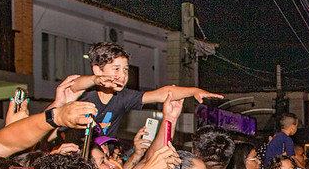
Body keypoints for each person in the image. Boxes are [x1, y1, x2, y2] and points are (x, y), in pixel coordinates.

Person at [68, 42, 222, 138]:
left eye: (126, 69)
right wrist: (96, 79)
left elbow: (164, 93)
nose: (122, 75)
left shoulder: (124, 97)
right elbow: (74, 85)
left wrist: (193, 91)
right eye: (116, 69)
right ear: (98, 70)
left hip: (106, 158)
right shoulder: (85, 94)